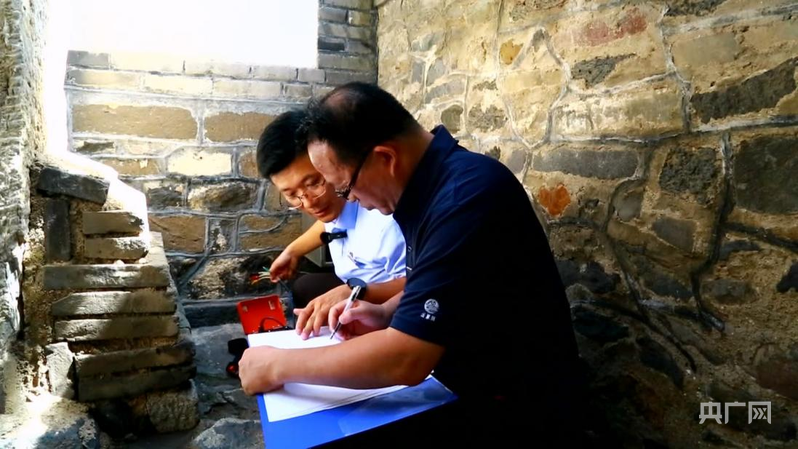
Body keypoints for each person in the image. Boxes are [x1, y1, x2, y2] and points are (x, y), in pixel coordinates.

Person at [240, 84, 587, 445]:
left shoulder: (465, 197)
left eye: (345, 189)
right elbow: (445, 282)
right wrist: (386, 312)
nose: (352, 200)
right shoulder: (428, 190)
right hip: (461, 380)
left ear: (385, 158)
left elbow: (406, 359)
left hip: (514, 406)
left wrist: (276, 365)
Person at [256, 109, 407, 339]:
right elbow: (329, 224)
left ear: (331, 162)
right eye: (291, 194)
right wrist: (293, 251)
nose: (308, 203)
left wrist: (356, 292)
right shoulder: (335, 205)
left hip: (386, 308)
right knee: (304, 287)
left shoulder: (383, 220)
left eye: (314, 183)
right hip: (354, 285)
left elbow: (418, 286)